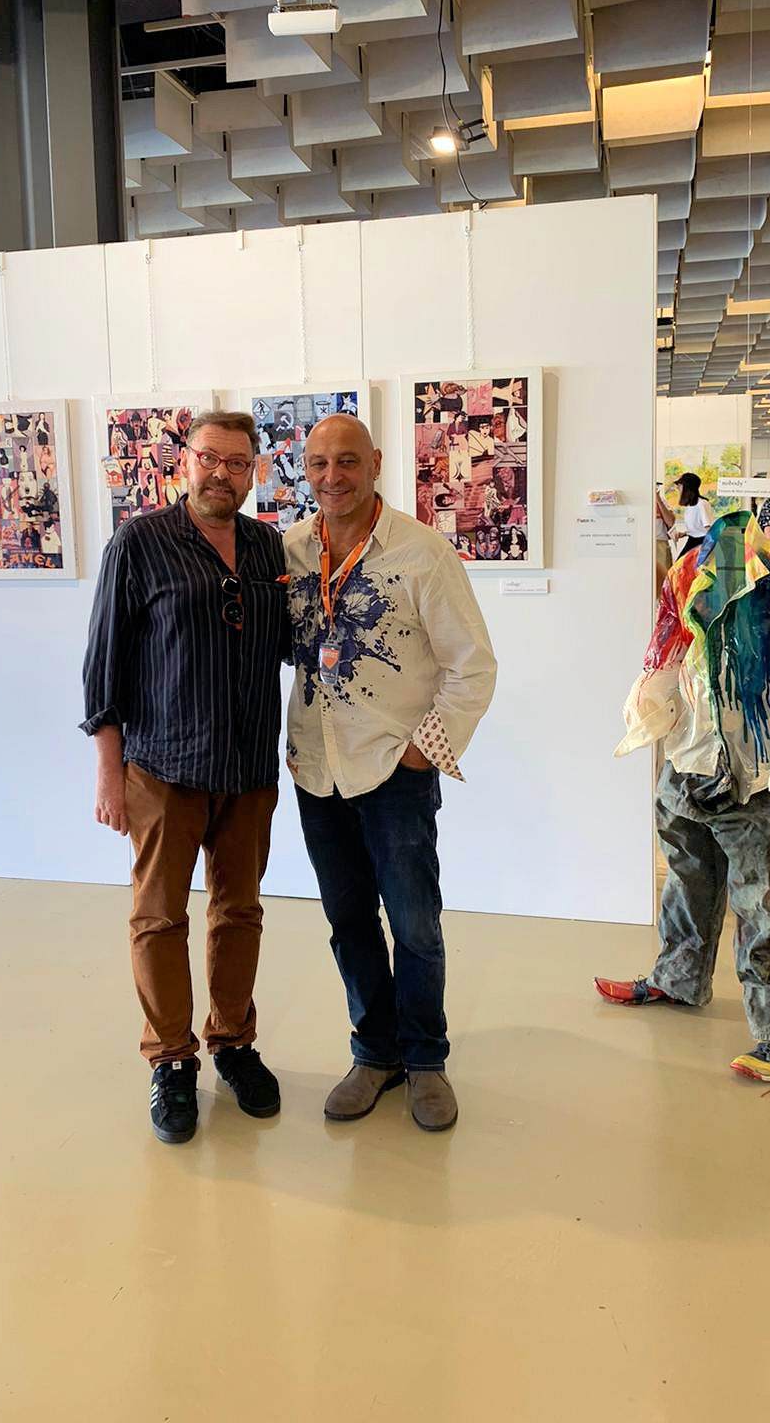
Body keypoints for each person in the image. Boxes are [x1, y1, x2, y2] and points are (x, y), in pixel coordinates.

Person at [82, 411, 290, 1146]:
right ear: (185, 462)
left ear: (253, 472)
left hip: (248, 770)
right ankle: (171, 1059)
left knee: (240, 913)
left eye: (237, 463)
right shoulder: (138, 543)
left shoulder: (268, 547)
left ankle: (233, 1042)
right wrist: (110, 775)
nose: (221, 474)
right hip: (163, 769)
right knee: (158, 918)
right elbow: (103, 665)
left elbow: (297, 643)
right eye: (209, 458)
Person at [284, 415, 497, 1133]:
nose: (332, 477)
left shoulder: (423, 553)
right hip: (317, 772)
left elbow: (473, 667)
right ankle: (374, 1053)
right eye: (319, 464)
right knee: (348, 922)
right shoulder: (292, 550)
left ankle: (426, 1058)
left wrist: (422, 751)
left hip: (393, 772)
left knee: (414, 925)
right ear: (305, 469)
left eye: (347, 461)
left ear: (375, 463)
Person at [597, 508, 770, 1084]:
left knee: (762, 898)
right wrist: (646, 712)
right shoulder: (686, 572)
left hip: (751, 767)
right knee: (686, 872)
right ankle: (679, 978)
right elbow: (667, 650)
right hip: (688, 754)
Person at [671, 471, 712, 554]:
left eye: (680, 484)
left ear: (687, 487)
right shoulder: (690, 505)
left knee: (682, 562)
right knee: (681, 562)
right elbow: (698, 528)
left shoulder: (702, 504)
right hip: (693, 540)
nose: (677, 487)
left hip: (702, 543)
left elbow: (708, 529)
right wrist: (685, 533)